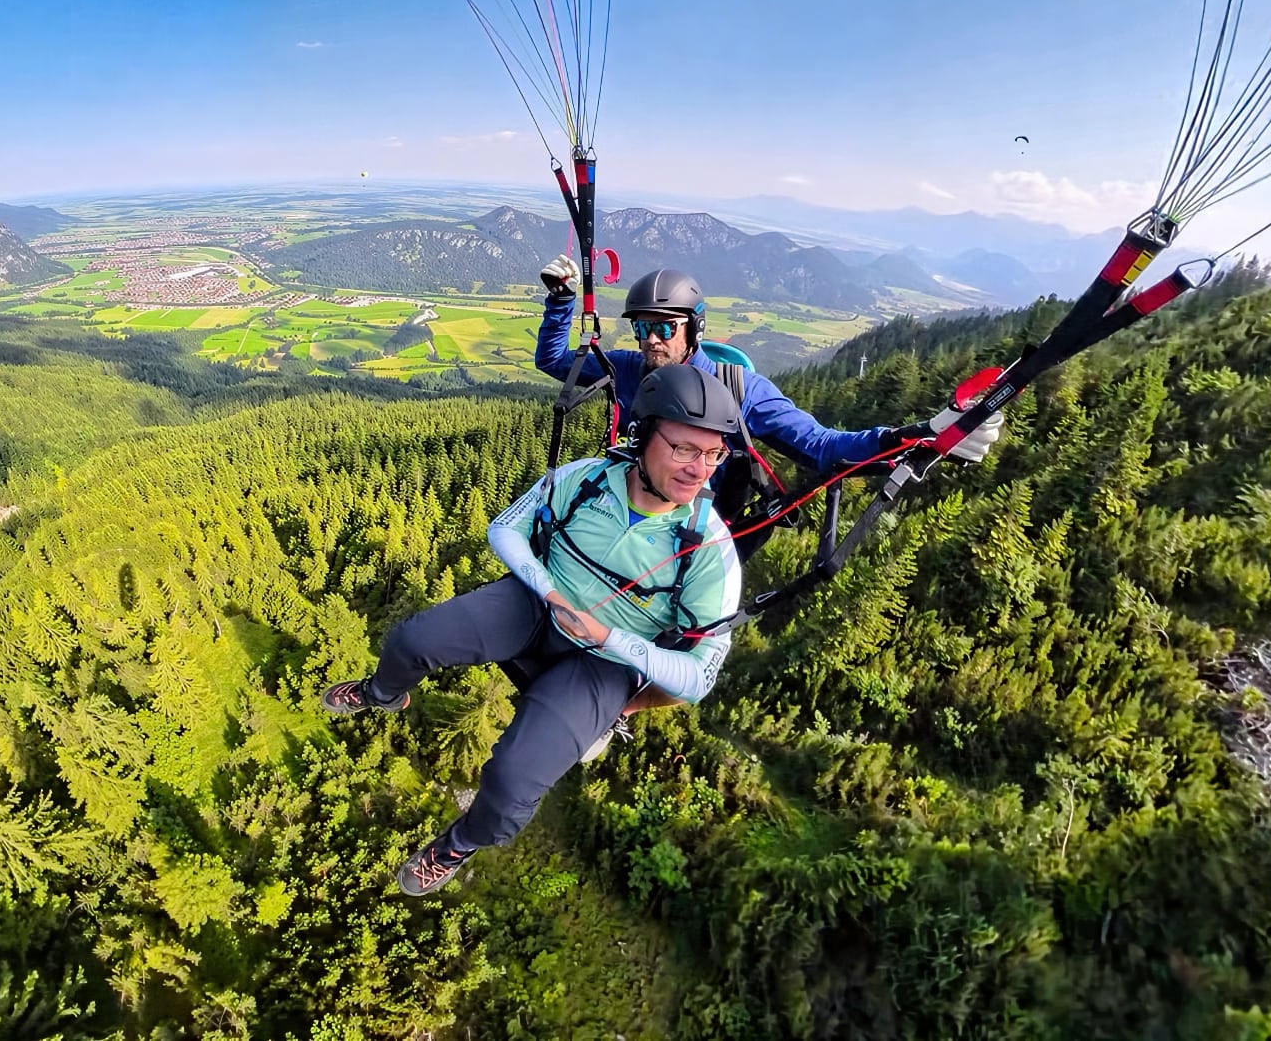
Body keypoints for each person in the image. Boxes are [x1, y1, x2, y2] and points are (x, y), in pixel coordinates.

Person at [321, 364, 751, 896]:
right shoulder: (583, 478)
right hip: (536, 603)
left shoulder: (709, 550)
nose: (699, 470)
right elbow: (504, 528)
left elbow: (700, 675)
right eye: (685, 449)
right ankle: (381, 694)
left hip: (604, 664)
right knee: (413, 641)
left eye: (714, 455)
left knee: (511, 785)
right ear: (643, 436)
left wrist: (610, 640)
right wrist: (549, 593)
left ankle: (458, 844)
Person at [535, 260, 1002, 747]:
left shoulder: (742, 393)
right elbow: (554, 362)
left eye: (664, 327)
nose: (651, 339)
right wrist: (561, 300)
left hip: (701, 540)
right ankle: (569, 671)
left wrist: (918, 437)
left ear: (692, 328)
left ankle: (617, 707)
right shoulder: (632, 371)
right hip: (632, 515)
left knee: (689, 657)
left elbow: (823, 445)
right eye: (643, 328)